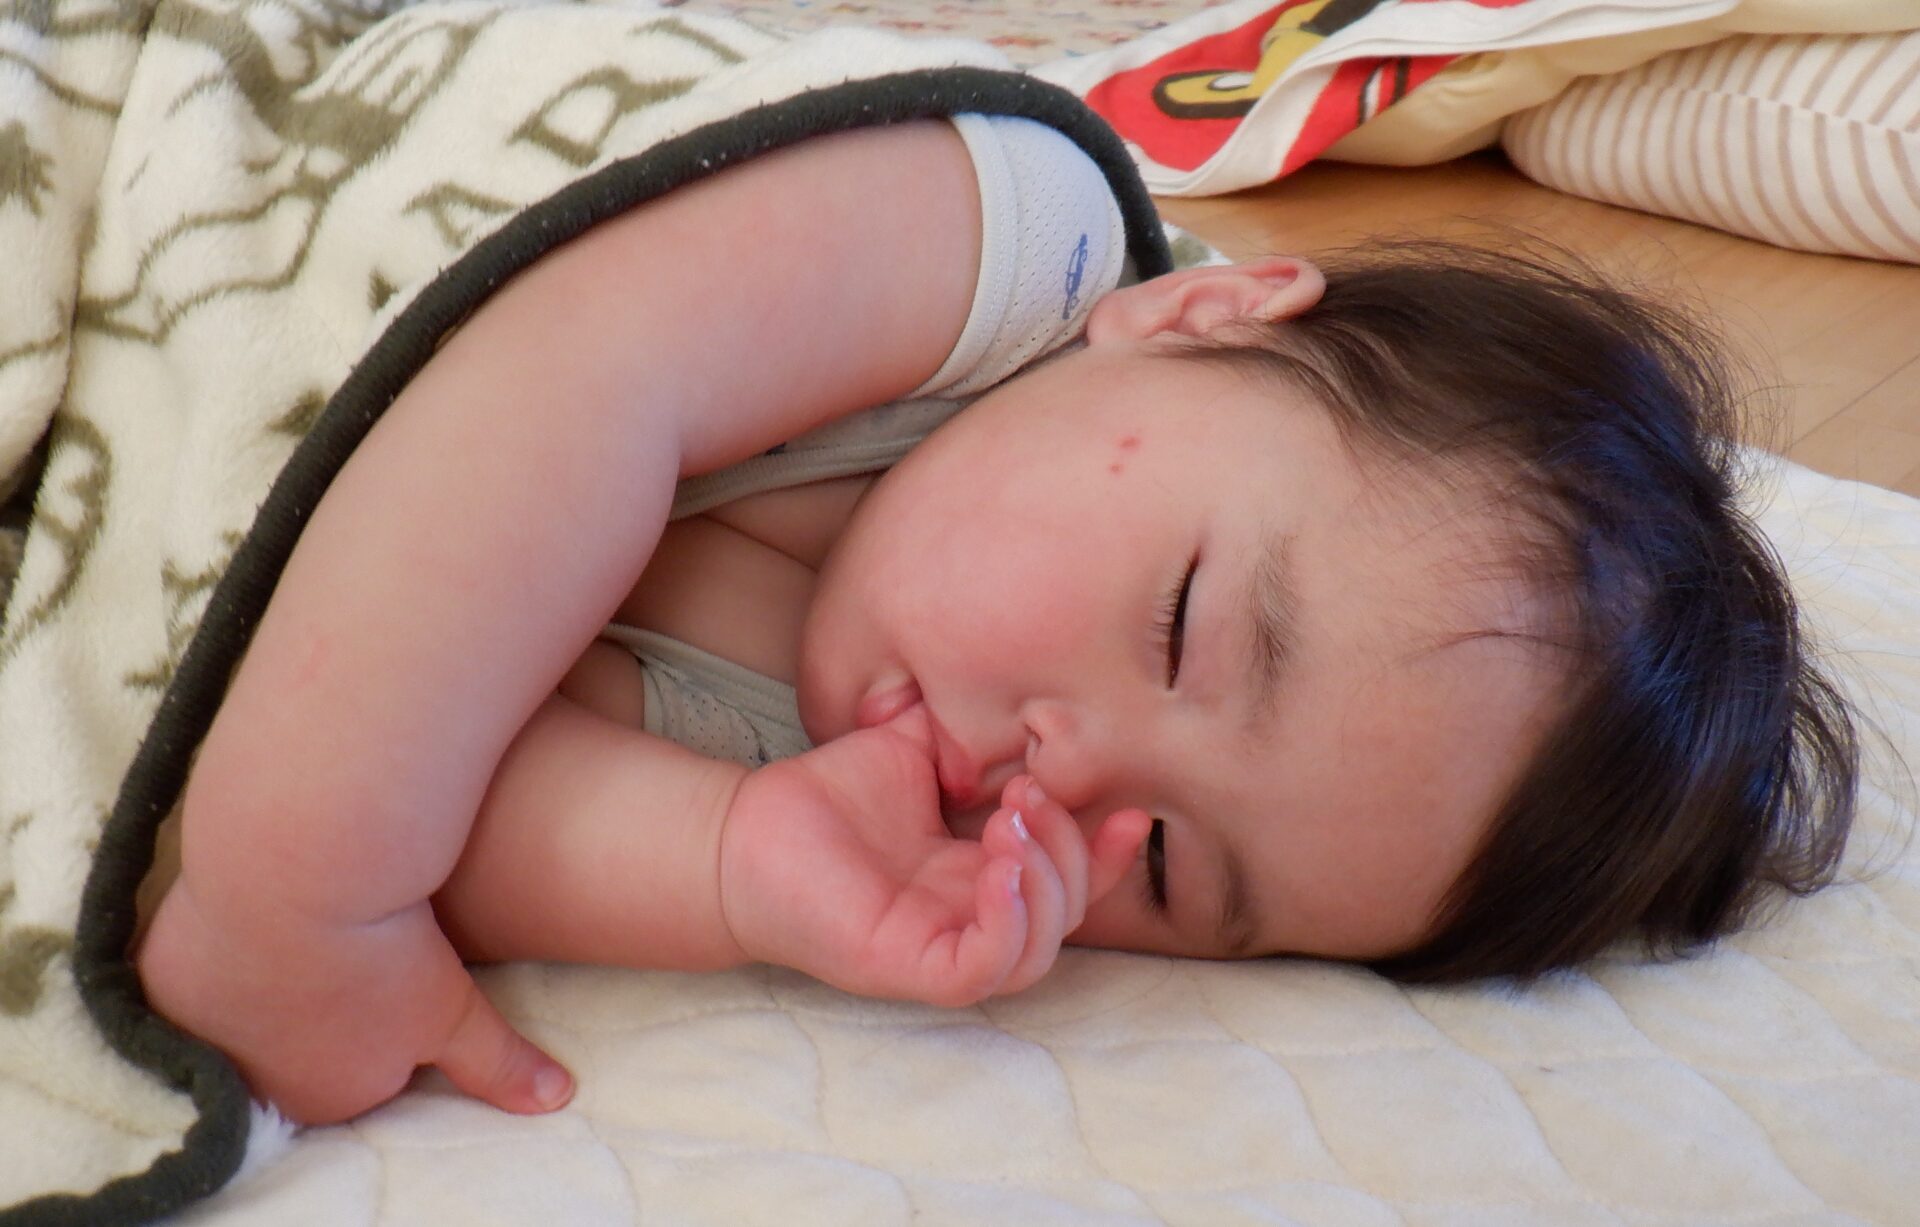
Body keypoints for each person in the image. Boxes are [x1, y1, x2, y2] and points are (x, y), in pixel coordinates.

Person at [132, 114, 1859, 1128]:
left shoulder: (821, 771)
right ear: (1203, 321)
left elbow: (453, 805)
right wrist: (303, 892)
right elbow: (568, 373)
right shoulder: (998, 241)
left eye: (1166, 866)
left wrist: (733, 865)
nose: (1067, 780)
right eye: (1180, 627)